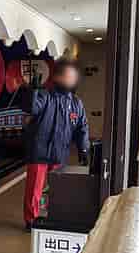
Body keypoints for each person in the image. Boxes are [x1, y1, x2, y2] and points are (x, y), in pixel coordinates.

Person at [21, 59, 89, 231]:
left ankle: (54, 216)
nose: (69, 80)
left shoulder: (76, 103)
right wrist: (33, 91)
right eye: (66, 76)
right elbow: (31, 108)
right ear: (57, 77)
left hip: (60, 153)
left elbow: (82, 128)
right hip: (39, 152)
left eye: (72, 77)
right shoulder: (45, 96)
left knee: (58, 189)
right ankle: (31, 220)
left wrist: (83, 148)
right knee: (34, 189)